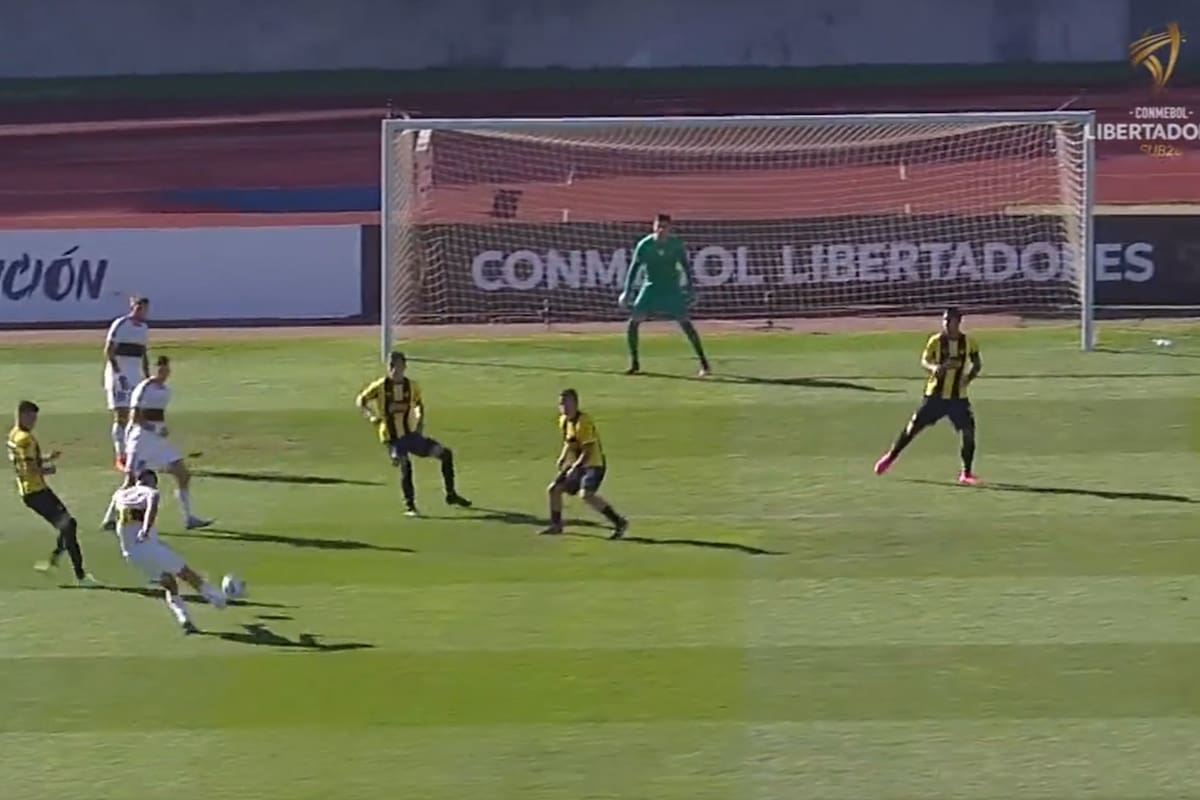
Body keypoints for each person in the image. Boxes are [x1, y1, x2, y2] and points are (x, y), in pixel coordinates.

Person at [874, 308, 982, 484]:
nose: (946, 323)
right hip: (935, 396)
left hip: (958, 398)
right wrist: (934, 368)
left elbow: (978, 363)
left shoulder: (969, 342)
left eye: (950, 320)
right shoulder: (936, 341)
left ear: (958, 322)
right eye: (945, 320)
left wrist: (968, 379)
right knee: (913, 427)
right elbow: (924, 360)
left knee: (968, 432)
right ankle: (890, 457)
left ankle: (966, 473)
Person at [102, 355, 211, 530]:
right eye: (160, 368)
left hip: (158, 441)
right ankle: (109, 518)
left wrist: (162, 429)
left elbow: (156, 415)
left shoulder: (166, 391)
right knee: (130, 481)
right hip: (140, 439)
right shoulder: (144, 388)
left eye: (166, 369)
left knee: (183, 474)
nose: (163, 372)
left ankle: (188, 518)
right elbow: (134, 417)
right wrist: (151, 430)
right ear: (154, 370)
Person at [356, 350, 472, 516]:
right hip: (391, 437)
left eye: (398, 366)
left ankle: (451, 494)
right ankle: (410, 506)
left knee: (445, 454)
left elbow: (419, 405)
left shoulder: (412, 386)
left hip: (411, 435)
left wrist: (420, 423)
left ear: (404, 366)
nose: (395, 370)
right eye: (392, 366)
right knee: (405, 464)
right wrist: (372, 416)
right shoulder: (380, 386)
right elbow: (361, 400)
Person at [112, 469, 227, 634]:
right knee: (186, 574)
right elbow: (152, 504)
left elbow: (119, 514)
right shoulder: (150, 492)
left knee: (169, 584)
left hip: (131, 555)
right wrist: (145, 528)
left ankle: (183, 618)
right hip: (149, 547)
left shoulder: (120, 494)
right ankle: (219, 599)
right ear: (150, 480)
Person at [5, 400, 96, 583]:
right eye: (31, 417)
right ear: (22, 415)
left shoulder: (14, 435)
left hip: (32, 491)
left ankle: (56, 561)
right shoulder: (25, 439)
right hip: (35, 492)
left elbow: (26, 462)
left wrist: (46, 458)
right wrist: (48, 469)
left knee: (69, 525)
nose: (33, 422)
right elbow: (30, 469)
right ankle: (79, 574)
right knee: (69, 525)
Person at [619, 213, 711, 377]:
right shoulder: (644, 245)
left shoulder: (675, 245)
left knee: (685, 324)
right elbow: (634, 268)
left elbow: (686, 267)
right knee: (634, 322)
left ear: (669, 228)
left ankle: (704, 363)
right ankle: (634, 363)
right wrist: (627, 291)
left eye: (664, 227)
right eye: (658, 227)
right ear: (653, 227)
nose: (661, 230)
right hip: (651, 287)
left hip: (671, 288)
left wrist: (691, 288)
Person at [540, 389, 629, 539]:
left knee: (586, 495)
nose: (563, 407)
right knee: (554, 489)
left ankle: (619, 522)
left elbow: (588, 450)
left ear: (575, 403)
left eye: (566, 403)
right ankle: (556, 525)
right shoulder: (564, 420)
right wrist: (563, 457)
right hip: (578, 464)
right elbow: (570, 441)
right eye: (561, 403)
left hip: (593, 464)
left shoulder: (584, 421)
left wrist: (574, 468)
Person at [103, 296, 150, 471]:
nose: (141, 311)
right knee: (121, 415)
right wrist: (118, 373)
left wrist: (146, 375)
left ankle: (134, 453)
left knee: (136, 416)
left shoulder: (144, 328)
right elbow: (109, 350)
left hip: (135, 377)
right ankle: (120, 455)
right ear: (132, 306)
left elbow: (143, 352)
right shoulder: (121, 324)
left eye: (144, 308)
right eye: (138, 307)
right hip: (119, 377)